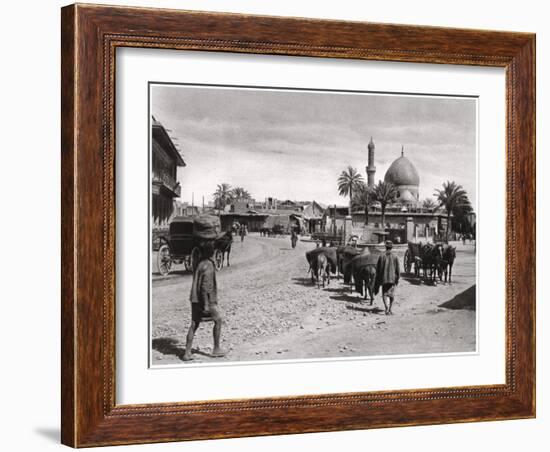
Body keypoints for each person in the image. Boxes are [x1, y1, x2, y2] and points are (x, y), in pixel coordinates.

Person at [183, 242, 225, 361]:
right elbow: (205, 287)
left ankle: (187, 353)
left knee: (194, 324)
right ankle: (216, 349)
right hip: (206, 300)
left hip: (195, 299)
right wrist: (206, 304)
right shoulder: (209, 266)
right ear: (211, 252)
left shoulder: (199, 264)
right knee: (218, 320)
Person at [375, 240, 400, 315]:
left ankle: (386, 308)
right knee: (392, 295)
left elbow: (378, 269)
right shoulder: (395, 256)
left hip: (384, 278)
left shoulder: (381, 256)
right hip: (392, 279)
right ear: (391, 247)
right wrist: (397, 279)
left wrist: (378, 279)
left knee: (384, 294)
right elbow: (397, 270)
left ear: (385, 247)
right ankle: (390, 309)